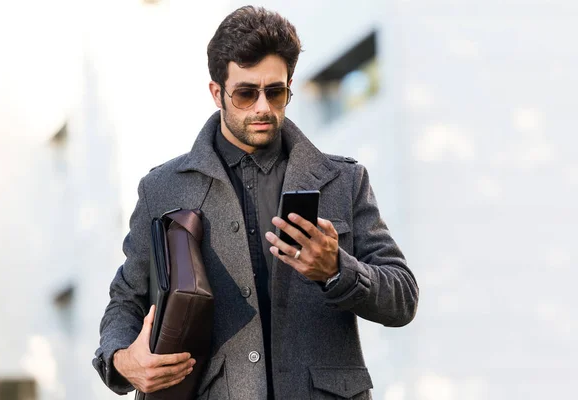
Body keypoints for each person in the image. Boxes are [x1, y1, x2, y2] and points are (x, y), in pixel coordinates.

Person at [93, 5, 419, 399]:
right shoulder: (162, 189)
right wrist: (123, 360)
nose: (263, 107)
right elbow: (125, 301)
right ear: (218, 93)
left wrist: (337, 269)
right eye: (246, 93)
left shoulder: (344, 181)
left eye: (276, 92)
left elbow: (402, 297)